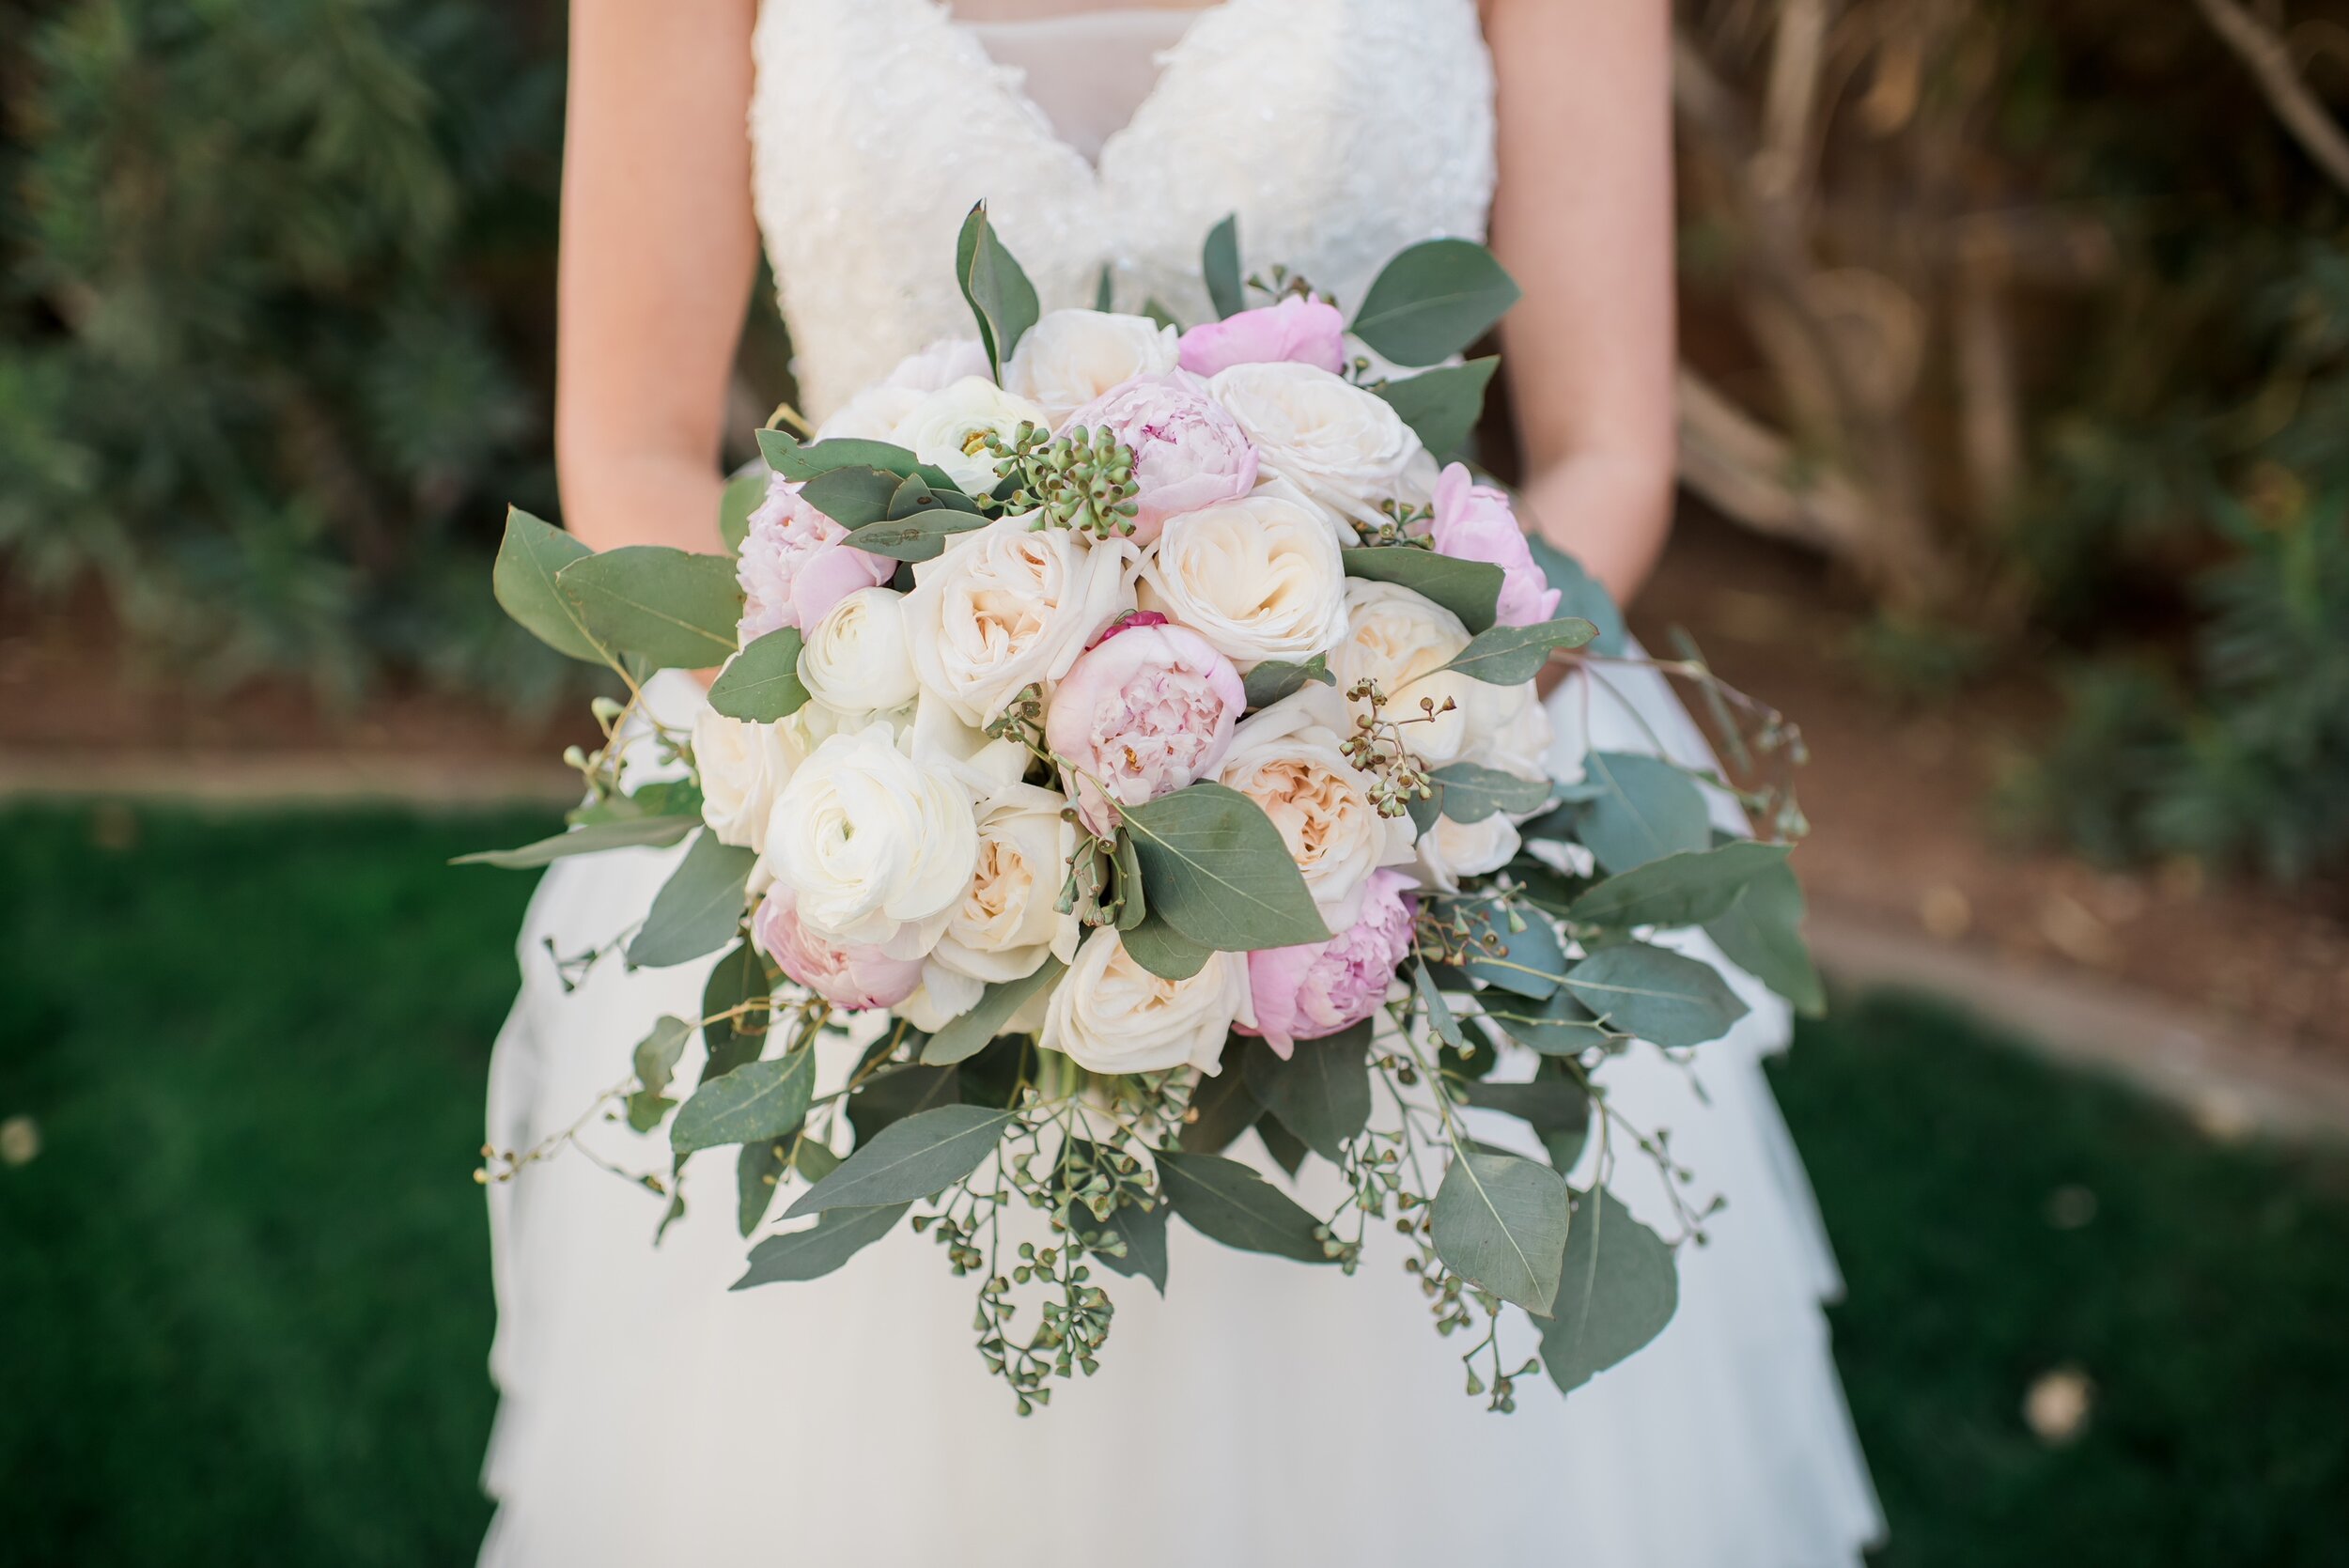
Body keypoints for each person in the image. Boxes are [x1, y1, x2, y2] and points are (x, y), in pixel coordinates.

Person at [481, 3, 1884, 1562]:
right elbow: (634, 444)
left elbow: (1609, 447)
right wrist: (876, 768)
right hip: (891, 845)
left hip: (1401, 837)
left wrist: (1370, 747)